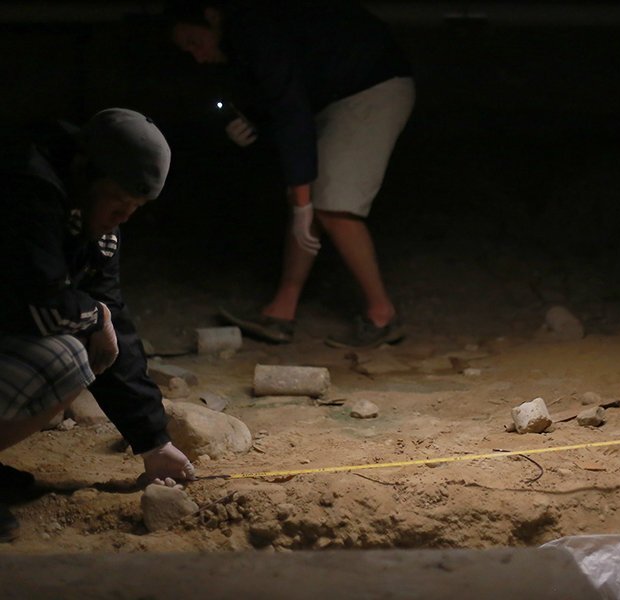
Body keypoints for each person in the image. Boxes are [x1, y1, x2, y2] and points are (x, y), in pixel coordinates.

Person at [167, 0, 415, 348]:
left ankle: (382, 316)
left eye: (195, 41)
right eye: (187, 50)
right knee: (307, 197)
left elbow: (292, 113)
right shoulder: (246, 39)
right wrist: (254, 123)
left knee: (331, 206)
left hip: (372, 88)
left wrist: (302, 206)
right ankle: (281, 312)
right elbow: (284, 98)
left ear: (210, 15)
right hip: (340, 96)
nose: (197, 55)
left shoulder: (255, 25)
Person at [0, 108, 196, 543]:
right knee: (70, 350)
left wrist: (152, 440)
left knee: (94, 342)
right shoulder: (25, 191)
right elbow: (41, 301)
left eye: (135, 208)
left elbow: (113, 317)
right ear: (85, 170)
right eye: (118, 202)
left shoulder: (92, 219)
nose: (123, 217)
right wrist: (96, 316)